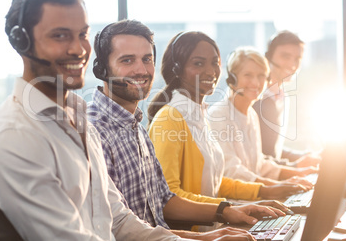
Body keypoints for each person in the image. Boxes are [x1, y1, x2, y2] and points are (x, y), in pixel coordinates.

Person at [0, 0, 201, 241]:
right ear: (22, 41)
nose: (78, 49)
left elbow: (119, 221)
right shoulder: (15, 137)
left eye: (82, 35)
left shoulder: (76, 117)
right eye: (60, 35)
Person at [87, 20, 286, 239]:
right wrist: (207, 235)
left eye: (146, 59)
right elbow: (120, 227)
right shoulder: (94, 131)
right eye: (127, 60)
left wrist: (227, 210)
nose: (141, 70)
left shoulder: (136, 128)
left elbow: (164, 201)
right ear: (101, 69)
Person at [147, 31, 310, 210]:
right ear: (177, 69)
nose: (210, 71)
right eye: (198, 63)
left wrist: (264, 191)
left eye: (215, 63)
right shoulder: (169, 119)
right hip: (198, 231)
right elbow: (168, 198)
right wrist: (226, 209)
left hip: (213, 223)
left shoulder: (199, 116)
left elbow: (216, 182)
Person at [208, 47, 317, 186]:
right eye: (248, 75)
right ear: (232, 79)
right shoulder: (218, 116)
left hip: (252, 196)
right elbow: (231, 171)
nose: (256, 83)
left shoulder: (251, 115)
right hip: (233, 203)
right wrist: (276, 186)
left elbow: (259, 164)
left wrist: (299, 173)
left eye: (261, 76)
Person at [252, 31, 321, 167]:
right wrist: (294, 166)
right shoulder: (254, 99)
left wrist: (305, 156)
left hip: (274, 176)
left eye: (297, 59)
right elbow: (254, 155)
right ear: (268, 58)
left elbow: (272, 150)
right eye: (285, 56)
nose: (292, 64)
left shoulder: (282, 98)